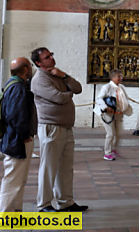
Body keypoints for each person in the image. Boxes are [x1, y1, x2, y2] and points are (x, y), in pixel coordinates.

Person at [31, 46, 87, 213]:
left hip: (66, 127)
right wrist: (68, 92)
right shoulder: (39, 79)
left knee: (65, 167)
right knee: (49, 168)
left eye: (51, 55)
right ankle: (44, 204)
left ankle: (66, 202)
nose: (51, 58)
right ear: (38, 63)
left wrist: (65, 77)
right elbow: (59, 98)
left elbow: (78, 88)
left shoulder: (58, 75)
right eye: (47, 57)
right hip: (51, 127)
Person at [0, 57, 37, 213]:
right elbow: (15, 114)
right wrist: (25, 135)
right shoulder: (18, 88)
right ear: (26, 69)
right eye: (30, 66)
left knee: (19, 179)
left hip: (15, 138)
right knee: (13, 179)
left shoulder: (13, 84)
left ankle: (15, 211)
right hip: (17, 140)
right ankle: (5, 214)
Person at [96, 69, 131, 161]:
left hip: (118, 113)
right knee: (110, 134)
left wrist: (125, 107)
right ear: (112, 78)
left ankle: (113, 149)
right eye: (118, 76)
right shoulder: (107, 87)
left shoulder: (121, 87)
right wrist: (106, 107)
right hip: (108, 114)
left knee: (119, 133)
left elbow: (125, 99)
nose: (121, 78)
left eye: (121, 76)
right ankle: (107, 153)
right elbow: (99, 98)